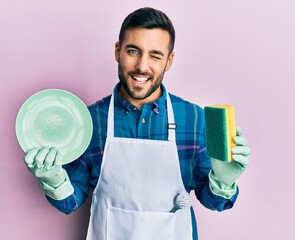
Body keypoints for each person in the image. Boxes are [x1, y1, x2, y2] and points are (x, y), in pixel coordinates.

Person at [23, 7, 250, 240]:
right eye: (133, 51)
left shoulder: (194, 119)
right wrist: (53, 179)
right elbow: (70, 202)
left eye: (155, 55)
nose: (142, 66)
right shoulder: (90, 121)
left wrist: (223, 181)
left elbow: (213, 202)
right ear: (118, 51)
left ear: (169, 61)